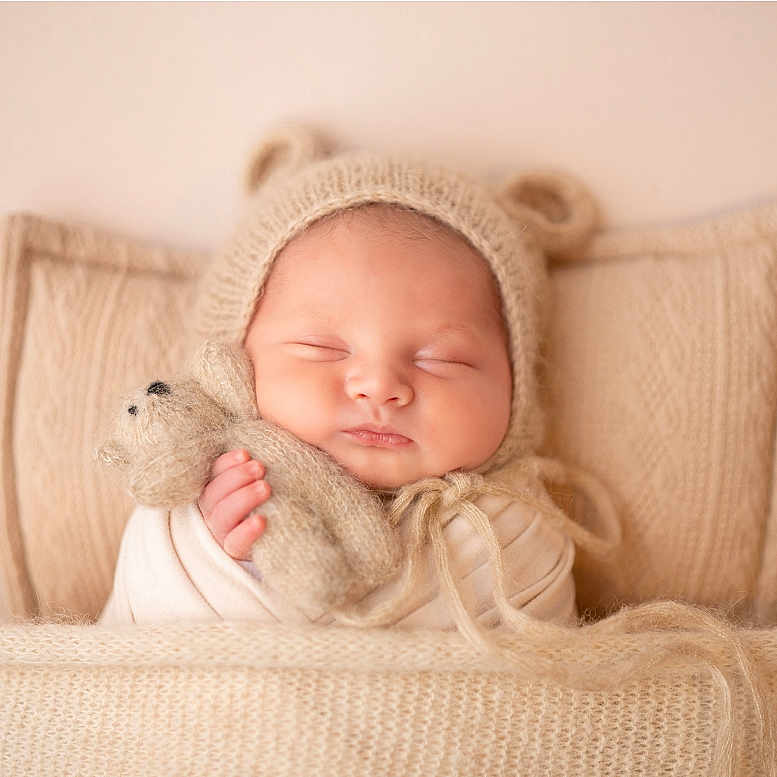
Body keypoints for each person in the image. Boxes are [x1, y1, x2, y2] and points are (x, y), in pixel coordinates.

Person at [99, 126, 616, 630]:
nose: (379, 386)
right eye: (320, 348)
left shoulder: (515, 535)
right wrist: (217, 553)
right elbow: (141, 644)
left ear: (516, 392)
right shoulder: (206, 509)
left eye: (443, 359)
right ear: (228, 366)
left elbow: (548, 686)